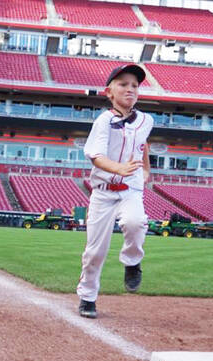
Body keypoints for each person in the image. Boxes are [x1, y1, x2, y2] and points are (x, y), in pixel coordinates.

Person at [76, 64, 153, 319]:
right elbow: (96, 156)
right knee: (94, 251)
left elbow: (143, 145)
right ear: (109, 92)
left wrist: (146, 170)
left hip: (130, 188)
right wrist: (119, 167)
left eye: (134, 85)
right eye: (123, 84)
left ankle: (132, 262)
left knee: (136, 222)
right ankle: (87, 297)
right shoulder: (103, 121)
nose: (130, 89)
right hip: (104, 191)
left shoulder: (146, 120)